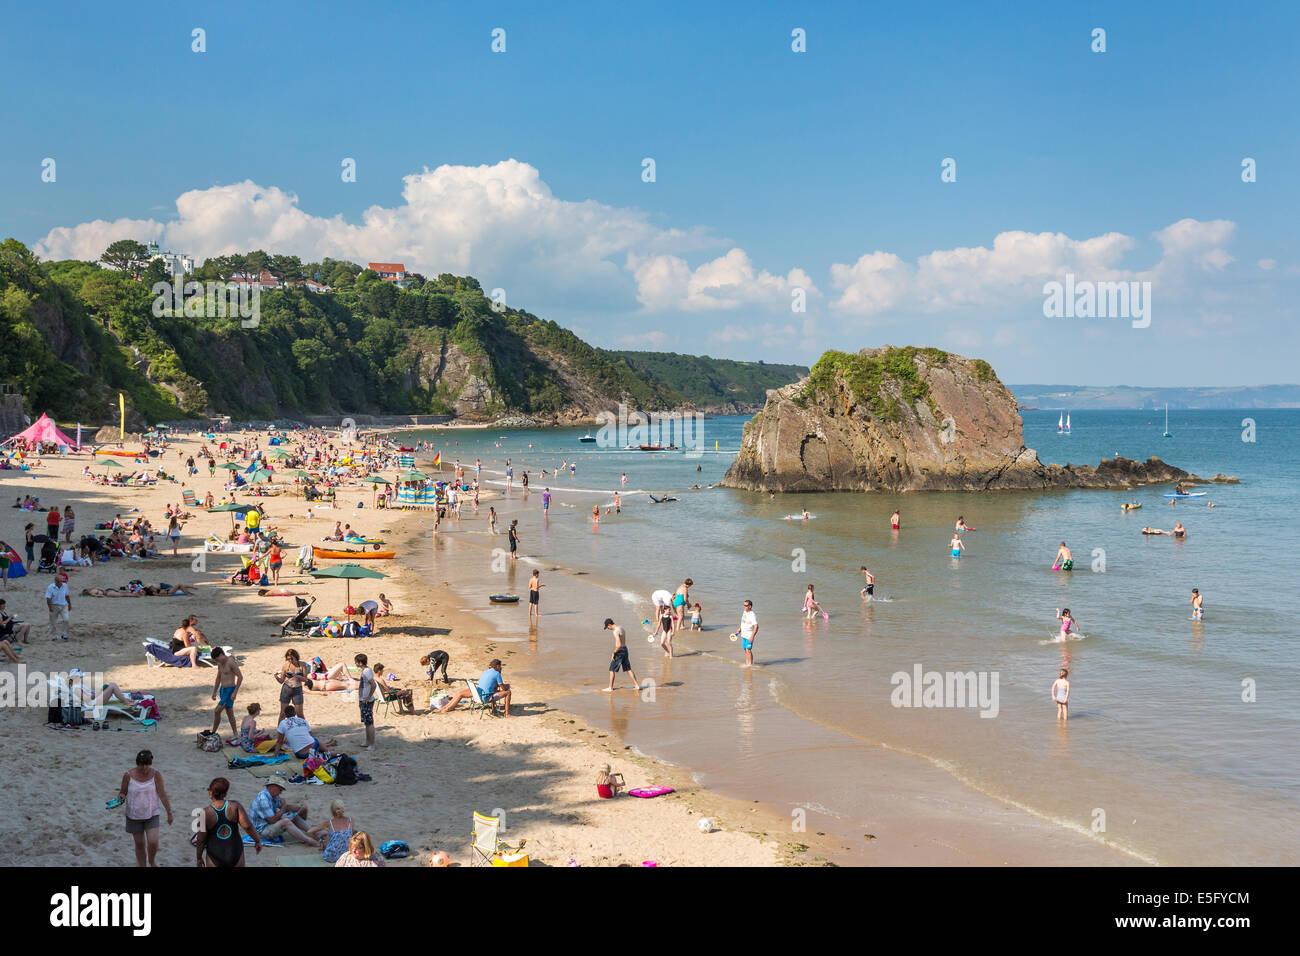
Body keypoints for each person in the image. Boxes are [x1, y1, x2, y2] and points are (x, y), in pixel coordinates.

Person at [117, 749, 173, 867]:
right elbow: (122, 792)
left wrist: (169, 812)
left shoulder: (156, 775)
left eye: (146, 764)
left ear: (150, 763)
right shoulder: (128, 775)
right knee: (140, 844)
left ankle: (152, 862)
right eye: (141, 764)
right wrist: (120, 799)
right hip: (133, 815)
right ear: (137, 763)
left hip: (152, 814)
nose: (144, 767)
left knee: (153, 842)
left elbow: (162, 794)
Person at [195, 777, 260, 867]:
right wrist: (257, 841)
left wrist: (199, 857)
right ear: (225, 793)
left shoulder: (204, 813)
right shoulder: (235, 806)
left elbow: (201, 840)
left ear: (210, 792)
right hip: (235, 851)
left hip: (215, 854)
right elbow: (247, 826)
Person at [248, 780, 321, 847]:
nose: (281, 792)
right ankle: (310, 841)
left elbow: (286, 807)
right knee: (286, 822)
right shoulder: (263, 799)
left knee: (293, 816)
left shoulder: (272, 795)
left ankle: (314, 832)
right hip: (261, 832)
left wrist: (299, 808)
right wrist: (284, 807)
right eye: (280, 790)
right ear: (273, 787)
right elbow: (272, 820)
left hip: (268, 824)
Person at [434, 659, 512, 715]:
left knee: (459, 693)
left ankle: (445, 708)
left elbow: (491, 685)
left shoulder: (485, 672)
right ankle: (507, 714)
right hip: (484, 696)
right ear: (498, 666)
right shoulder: (497, 673)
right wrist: (507, 685)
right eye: (500, 666)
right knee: (508, 692)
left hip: (477, 693)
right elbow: (503, 689)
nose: (501, 668)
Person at [308, 800, 356, 864]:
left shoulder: (329, 823)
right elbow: (350, 838)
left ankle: (323, 845)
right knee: (332, 834)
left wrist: (320, 841)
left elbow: (309, 832)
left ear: (332, 811)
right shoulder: (351, 821)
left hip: (331, 857)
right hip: (347, 856)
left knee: (329, 833)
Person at [210, 647, 244, 738]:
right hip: (222, 689)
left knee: (217, 711)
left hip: (230, 690)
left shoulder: (231, 662)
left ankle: (213, 732)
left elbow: (240, 677)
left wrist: (235, 692)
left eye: (217, 659)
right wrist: (214, 691)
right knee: (229, 713)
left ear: (221, 655)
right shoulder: (219, 663)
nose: (218, 661)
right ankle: (236, 734)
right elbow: (218, 678)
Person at [603, 619, 641, 691]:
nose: (608, 629)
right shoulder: (621, 628)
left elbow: (619, 645)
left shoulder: (615, 631)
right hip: (625, 649)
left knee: (612, 669)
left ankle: (610, 688)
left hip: (619, 651)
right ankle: (637, 685)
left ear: (609, 625)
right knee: (628, 669)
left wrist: (614, 652)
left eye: (607, 628)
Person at [276, 649, 308, 721]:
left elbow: (305, 679)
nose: (290, 660)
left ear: (296, 657)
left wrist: (296, 675)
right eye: (288, 659)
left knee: (299, 713)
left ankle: (306, 729)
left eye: (291, 658)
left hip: (297, 689)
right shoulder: (285, 666)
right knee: (283, 714)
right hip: (287, 688)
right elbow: (281, 681)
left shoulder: (302, 665)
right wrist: (276, 676)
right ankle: (279, 731)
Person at [356, 653, 377, 750]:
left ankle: (372, 744)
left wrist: (368, 697)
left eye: (356, 662)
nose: (355, 664)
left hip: (366, 701)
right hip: (364, 700)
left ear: (360, 662)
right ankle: (368, 742)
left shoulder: (367, 672)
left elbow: (373, 684)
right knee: (366, 722)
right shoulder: (366, 671)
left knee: (369, 723)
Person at [45, 571, 71, 641]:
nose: (62, 582)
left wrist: (69, 604)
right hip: (54, 605)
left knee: (66, 619)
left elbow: (67, 595)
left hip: (64, 605)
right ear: (56, 582)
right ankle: (54, 635)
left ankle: (64, 634)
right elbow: (48, 598)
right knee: (53, 621)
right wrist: (50, 607)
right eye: (60, 581)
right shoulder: (50, 587)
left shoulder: (65, 586)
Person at [735, 600, 758, 667]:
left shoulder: (752, 615)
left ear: (750, 606)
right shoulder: (745, 612)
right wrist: (740, 628)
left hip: (749, 635)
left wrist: (752, 637)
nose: (744, 607)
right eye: (744, 605)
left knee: (748, 650)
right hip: (743, 634)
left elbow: (756, 626)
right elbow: (744, 622)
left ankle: (750, 665)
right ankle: (747, 663)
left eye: (745, 605)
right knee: (745, 650)